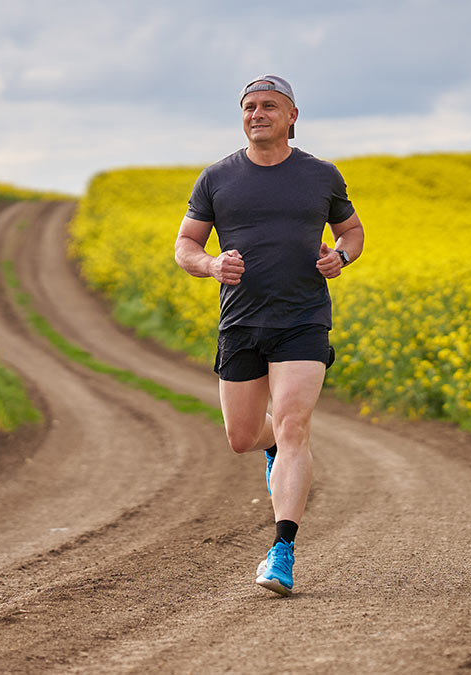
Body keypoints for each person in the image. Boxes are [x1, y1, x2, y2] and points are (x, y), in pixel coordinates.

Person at [174, 74, 365, 596]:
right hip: (241, 321)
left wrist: (340, 256)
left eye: (269, 106)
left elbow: (351, 231)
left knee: (294, 424)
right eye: (250, 106)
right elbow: (186, 245)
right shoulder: (217, 178)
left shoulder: (320, 175)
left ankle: (281, 552)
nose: (258, 113)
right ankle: (275, 444)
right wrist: (212, 264)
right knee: (243, 437)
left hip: (303, 318)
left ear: (292, 117)